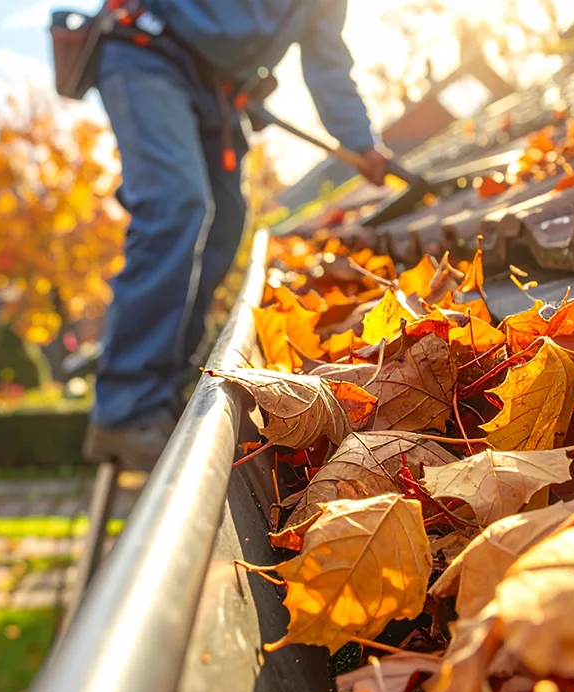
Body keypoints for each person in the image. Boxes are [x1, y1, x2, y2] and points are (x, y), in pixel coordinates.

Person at [81, 0, 388, 471]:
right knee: (174, 204)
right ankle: (126, 409)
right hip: (146, 48)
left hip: (214, 88)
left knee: (227, 220)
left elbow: (327, 62)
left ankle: (165, 386)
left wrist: (361, 141)